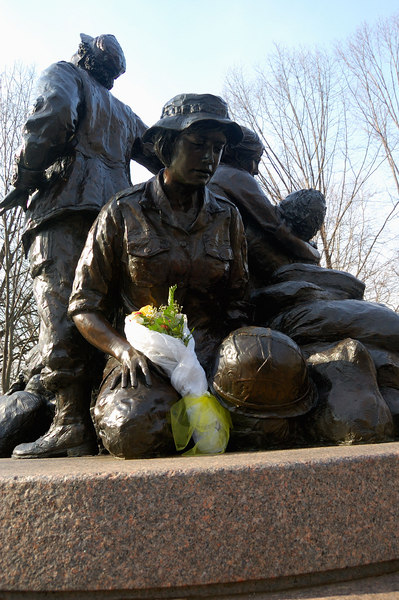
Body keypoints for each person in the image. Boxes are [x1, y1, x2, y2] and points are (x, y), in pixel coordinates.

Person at [62, 93, 250, 459]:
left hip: (212, 354)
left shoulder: (228, 217)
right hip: (143, 361)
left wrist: (229, 357)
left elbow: (239, 302)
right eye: (197, 145)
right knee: (133, 427)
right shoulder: (122, 212)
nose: (209, 158)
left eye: (218, 148)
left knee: (266, 389)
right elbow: (83, 305)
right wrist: (122, 350)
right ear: (166, 146)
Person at [10, 34, 161, 459]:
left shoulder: (63, 74)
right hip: (115, 219)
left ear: (84, 56)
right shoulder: (124, 113)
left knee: (61, 309)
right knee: (103, 309)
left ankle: (70, 423)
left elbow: (52, 116)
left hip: (64, 209)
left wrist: (26, 174)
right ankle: (102, 416)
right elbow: (163, 154)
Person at [209, 127, 324, 288]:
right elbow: (276, 226)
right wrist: (311, 253)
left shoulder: (215, 176)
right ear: (237, 155)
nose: (255, 170)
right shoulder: (234, 175)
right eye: (255, 160)